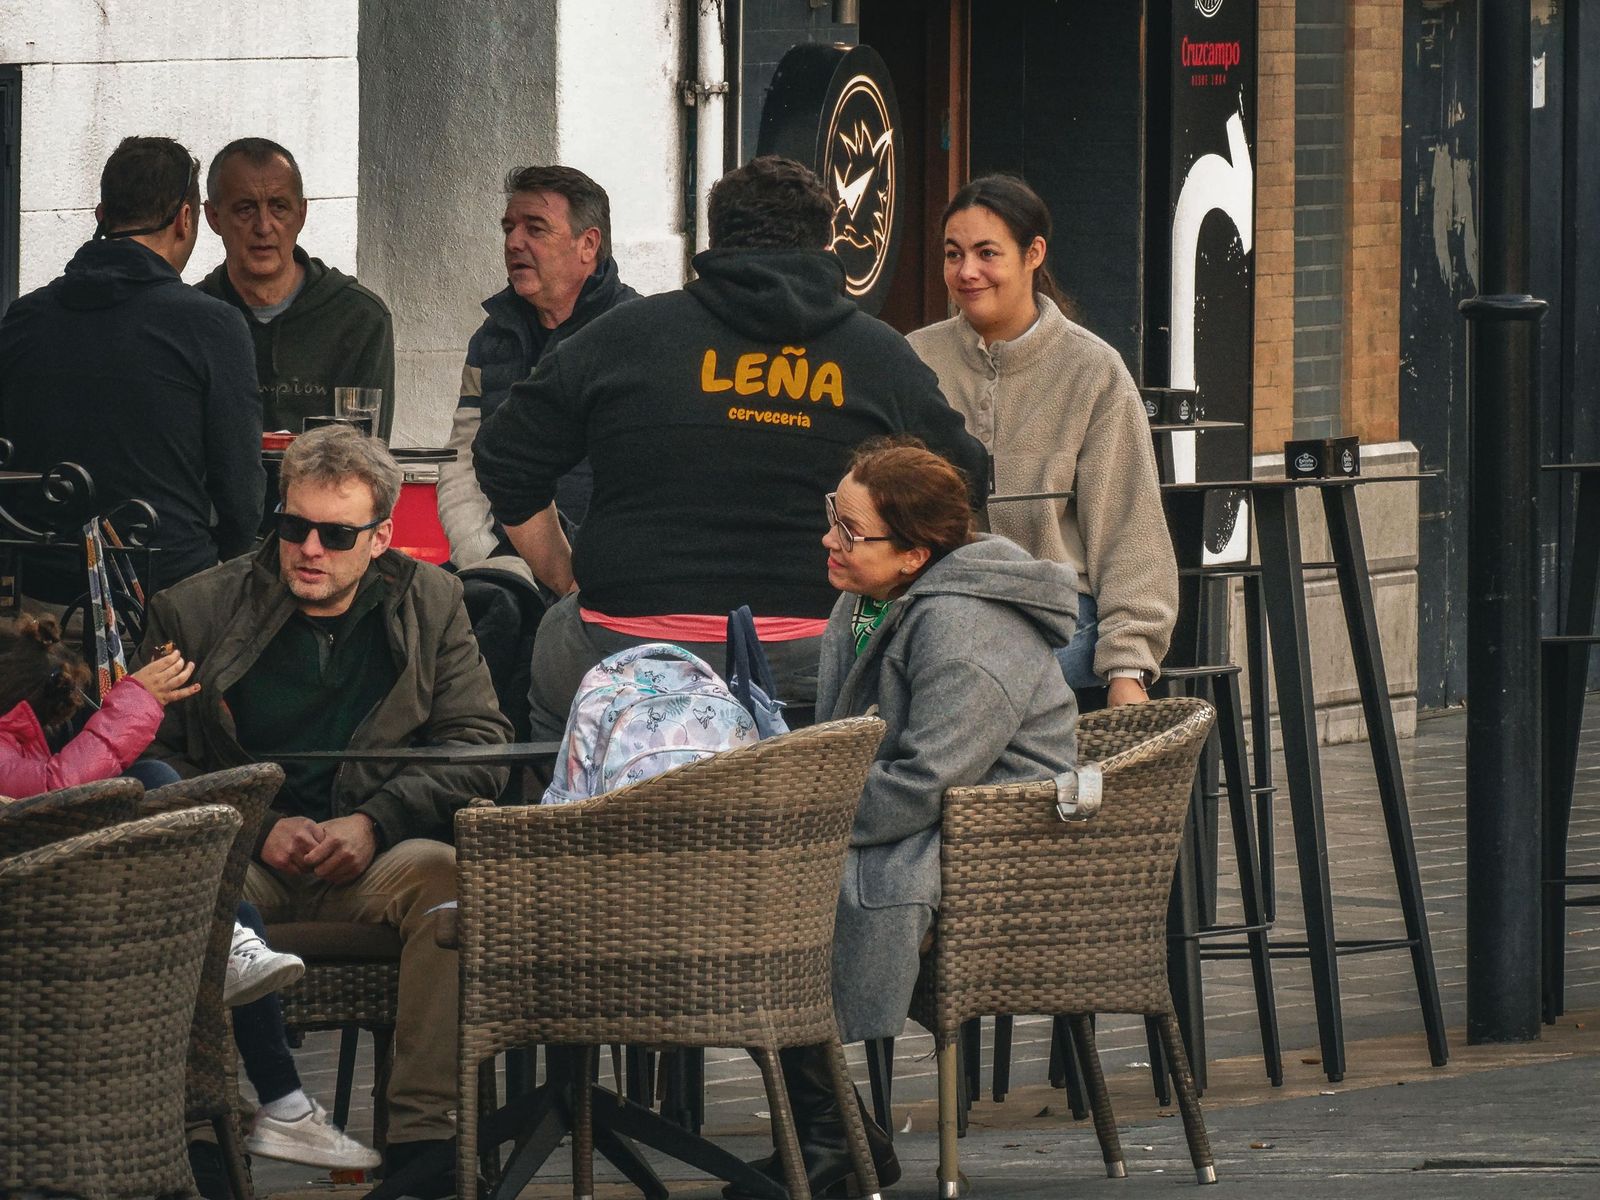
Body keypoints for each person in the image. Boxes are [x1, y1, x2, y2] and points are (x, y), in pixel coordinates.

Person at [474, 155, 988, 739]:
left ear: (716, 238)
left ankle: (565, 821)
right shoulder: (879, 355)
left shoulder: (624, 336)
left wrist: (565, 572)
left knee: (552, 674)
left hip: (621, 647)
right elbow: (963, 481)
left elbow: (503, 456)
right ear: (826, 244)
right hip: (816, 655)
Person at [139, 424, 511, 1195]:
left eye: (336, 534)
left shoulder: (433, 602)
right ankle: (205, 1134)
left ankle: (423, 1149)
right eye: (294, 526)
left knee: (451, 882)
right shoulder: (195, 611)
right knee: (184, 889)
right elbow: (152, 761)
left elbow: (479, 744)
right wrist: (258, 825)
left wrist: (375, 820)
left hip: (376, 851)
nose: (309, 548)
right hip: (245, 858)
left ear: (380, 537)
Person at [747, 438, 1079, 1198]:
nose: (828, 539)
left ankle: (835, 1142)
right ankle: (835, 1136)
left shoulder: (966, 631)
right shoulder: (868, 599)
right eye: (834, 515)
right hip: (914, 824)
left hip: (984, 846)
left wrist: (806, 825)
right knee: (758, 896)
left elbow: (928, 779)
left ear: (914, 555)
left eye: (851, 531)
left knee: (773, 907)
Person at [0, 613, 379, 1174]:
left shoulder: (18, 741)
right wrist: (133, 700)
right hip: (39, 935)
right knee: (162, 798)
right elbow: (54, 793)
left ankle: (279, 1097)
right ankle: (279, 1101)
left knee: (199, 867)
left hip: (61, 913)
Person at [906, 174, 1177, 705]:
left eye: (988, 253)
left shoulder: (1093, 369)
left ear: (1034, 253)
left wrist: (1128, 667)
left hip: (1060, 621)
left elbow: (1130, 529)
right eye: (953, 254)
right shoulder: (914, 359)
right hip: (937, 614)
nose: (967, 272)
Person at [0, 136, 264, 604]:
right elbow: (241, 499)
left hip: (38, 602)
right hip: (167, 595)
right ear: (186, 218)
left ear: (102, 217)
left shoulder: (24, 318)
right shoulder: (212, 325)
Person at [437, 164, 639, 740]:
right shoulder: (492, 336)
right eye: (508, 227)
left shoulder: (636, 330)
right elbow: (462, 455)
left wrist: (581, 571)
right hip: (501, 561)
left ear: (588, 244)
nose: (514, 242)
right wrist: (483, 553)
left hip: (600, 573)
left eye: (535, 228)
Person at [197, 138, 396, 439]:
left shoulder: (360, 319)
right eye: (245, 209)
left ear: (301, 214)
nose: (264, 226)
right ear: (213, 217)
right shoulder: (192, 319)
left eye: (279, 207)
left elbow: (367, 458)